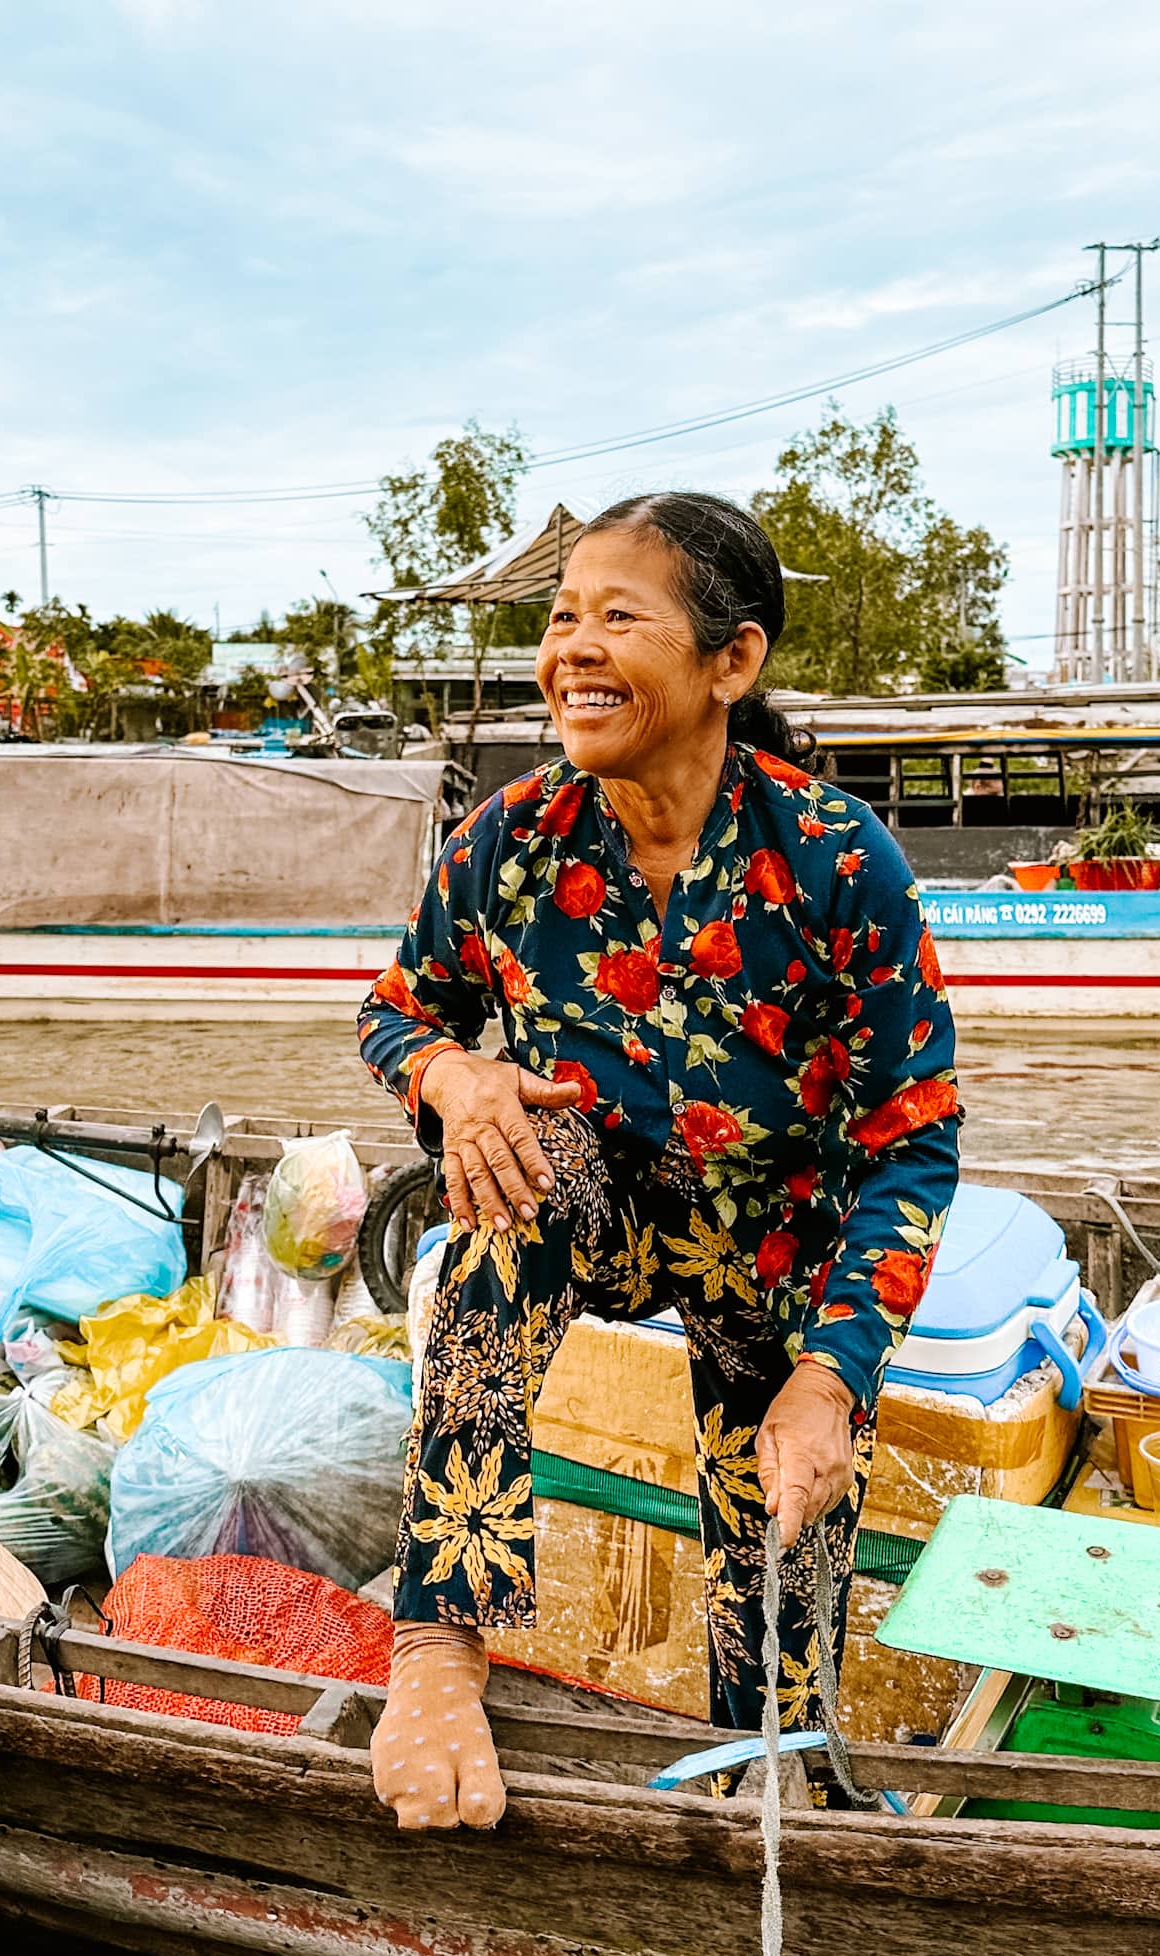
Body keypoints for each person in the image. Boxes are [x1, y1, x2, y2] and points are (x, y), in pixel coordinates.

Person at [358, 491, 961, 1829]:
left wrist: (833, 1375)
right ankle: (438, 1640)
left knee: (780, 1591)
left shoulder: (834, 863)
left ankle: (779, 1768)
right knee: (502, 1183)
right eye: (561, 615)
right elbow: (396, 1011)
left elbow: (912, 1147)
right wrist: (452, 1077)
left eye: (618, 616)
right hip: (596, 1203)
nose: (571, 644)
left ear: (729, 664)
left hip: (775, 1249)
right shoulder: (512, 842)